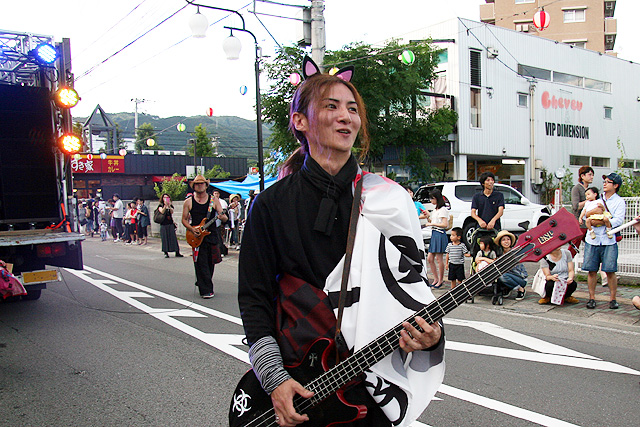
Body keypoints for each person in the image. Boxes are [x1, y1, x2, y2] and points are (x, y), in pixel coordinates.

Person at [237, 58, 444, 427]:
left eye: (352, 108)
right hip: (297, 375)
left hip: (370, 383)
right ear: (300, 121)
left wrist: (431, 336)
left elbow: (412, 290)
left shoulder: (390, 201)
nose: (346, 117)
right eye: (331, 106)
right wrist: (274, 379)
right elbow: (255, 299)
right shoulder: (270, 204)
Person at [583, 173, 626, 310]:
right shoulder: (596, 199)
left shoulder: (619, 202)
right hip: (593, 239)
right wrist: (594, 218)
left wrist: (601, 221)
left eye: (608, 182)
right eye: (604, 181)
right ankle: (591, 298)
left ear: (616, 185)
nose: (605, 183)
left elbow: (618, 220)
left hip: (609, 240)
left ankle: (613, 299)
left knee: (610, 271)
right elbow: (585, 216)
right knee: (591, 271)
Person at [182, 175, 226, 299]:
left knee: (211, 263)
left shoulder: (213, 200)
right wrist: (192, 229)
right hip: (196, 236)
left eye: (202, 183)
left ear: (206, 186)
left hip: (211, 235)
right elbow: (184, 219)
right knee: (200, 263)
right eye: (197, 184)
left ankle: (203, 282)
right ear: (193, 186)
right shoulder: (189, 202)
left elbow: (223, 216)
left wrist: (223, 217)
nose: (199, 186)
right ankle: (206, 290)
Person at [570, 165, 608, 285]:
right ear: (582, 176)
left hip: (592, 224)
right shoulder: (577, 188)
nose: (591, 177)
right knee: (574, 248)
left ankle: (604, 275)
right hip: (579, 224)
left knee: (597, 247)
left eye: (592, 175)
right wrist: (589, 201)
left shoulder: (591, 190)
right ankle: (565, 269)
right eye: (589, 174)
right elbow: (575, 206)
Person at [424, 189, 449, 288]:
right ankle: (436, 279)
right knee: (430, 258)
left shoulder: (443, 209)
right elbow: (433, 222)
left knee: (439, 259)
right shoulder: (435, 210)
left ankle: (440, 280)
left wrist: (432, 223)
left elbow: (444, 224)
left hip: (439, 233)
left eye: (432, 199)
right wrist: (428, 218)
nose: (431, 201)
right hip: (434, 233)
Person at [494, 230, 527, 300]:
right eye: (503, 240)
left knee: (502, 276)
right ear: (500, 242)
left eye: (508, 239)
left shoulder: (515, 252)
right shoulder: (499, 254)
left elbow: (517, 271)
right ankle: (507, 288)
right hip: (508, 276)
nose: (506, 242)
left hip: (519, 277)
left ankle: (520, 289)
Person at [156, 193, 183, 258]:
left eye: (167, 197)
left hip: (170, 224)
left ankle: (177, 252)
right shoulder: (160, 205)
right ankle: (166, 252)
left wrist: (169, 206)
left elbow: (172, 212)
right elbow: (162, 212)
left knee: (173, 238)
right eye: (164, 197)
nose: (166, 199)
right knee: (165, 239)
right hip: (163, 224)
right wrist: (165, 206)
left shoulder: (170, 205)